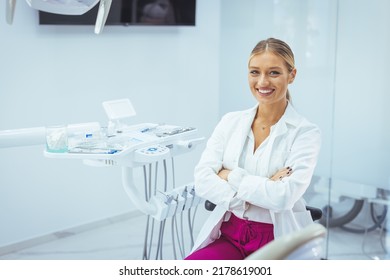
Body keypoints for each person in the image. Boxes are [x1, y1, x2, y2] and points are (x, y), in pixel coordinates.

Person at [185, 38, 321, 260]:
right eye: (254, 72)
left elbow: (283, 198)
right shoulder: (230, 122)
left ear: (292, 75)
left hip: (278, 242)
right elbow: (202, 179)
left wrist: (230, 176)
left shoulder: (305, 132)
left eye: (274, 73)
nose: (263, 82)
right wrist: (261, 189)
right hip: (230, 235)